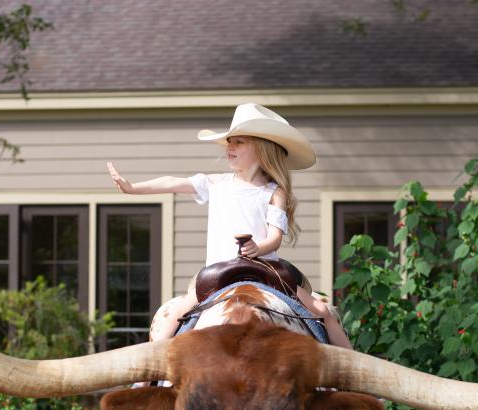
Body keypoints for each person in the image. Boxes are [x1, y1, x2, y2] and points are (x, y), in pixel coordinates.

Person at [107, 102, 352, 349]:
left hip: (267, 270)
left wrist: (259, 247)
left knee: (322, 310)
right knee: (174, 315)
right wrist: (133, 188)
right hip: (219, 271)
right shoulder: (216, 184)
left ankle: (349, 369)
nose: (229, 147)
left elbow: (275, 238)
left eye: (239, 142)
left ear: (262, 148)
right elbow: (173, 182)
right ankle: (148, 373)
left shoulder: (274, 193)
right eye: (229, 142)